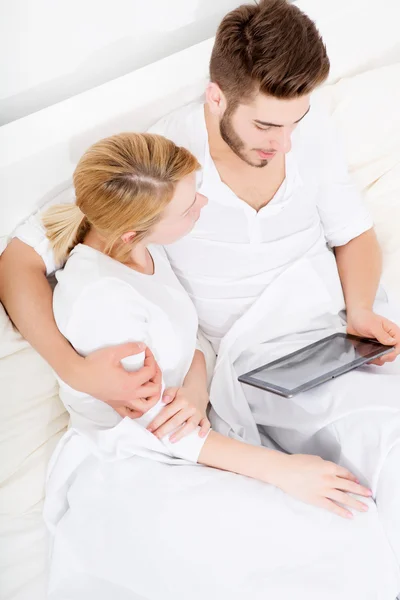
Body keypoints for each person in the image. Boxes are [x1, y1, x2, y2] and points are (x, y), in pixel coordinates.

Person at [1, 0, 400, 563]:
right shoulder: (163, 173)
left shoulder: (301, 134)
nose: (283, 143)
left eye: (294, 123)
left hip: (334, 336)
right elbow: (19, 256)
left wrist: (359, 310)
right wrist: (74, 369)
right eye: (265, 125)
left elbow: (354, 232)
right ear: (217, 97)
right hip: (248, 368)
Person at [41, 132, 398, 600]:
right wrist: (283, 470)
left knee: (355, 521)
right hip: (138, 461)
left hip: (188, 428)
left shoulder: (139, 246)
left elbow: (192, 347)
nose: (204, 203)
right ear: (134, 231)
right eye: (190, 207)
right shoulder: (103, 305)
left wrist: (195, 391)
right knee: (333, 540)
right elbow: (161, 430)